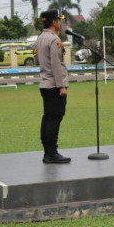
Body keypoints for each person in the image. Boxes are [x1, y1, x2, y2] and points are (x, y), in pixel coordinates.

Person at [35, 9, 70, 164]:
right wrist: (61, 86)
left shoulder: (40, 38)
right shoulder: (55, 39)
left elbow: (39, 60)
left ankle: (47, 151)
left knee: (48, 118)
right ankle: (52, 153)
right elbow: (56, 64)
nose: (60, 23)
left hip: (45, 83)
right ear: (54, 22)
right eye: (59, 20)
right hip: (54, 85)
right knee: (54, 118)